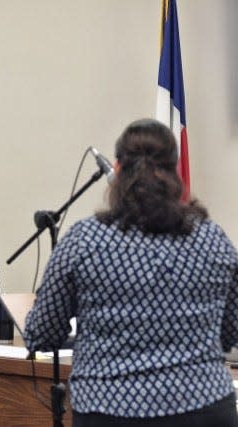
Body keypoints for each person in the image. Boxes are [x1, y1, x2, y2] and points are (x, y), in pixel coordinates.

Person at [23, 119, 238, 427]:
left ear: (117, 170)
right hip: (203, 407)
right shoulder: (212, 239)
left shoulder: (84, 240)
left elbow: (41, 335)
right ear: (175, 173)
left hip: (108, 410)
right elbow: (231, 332)